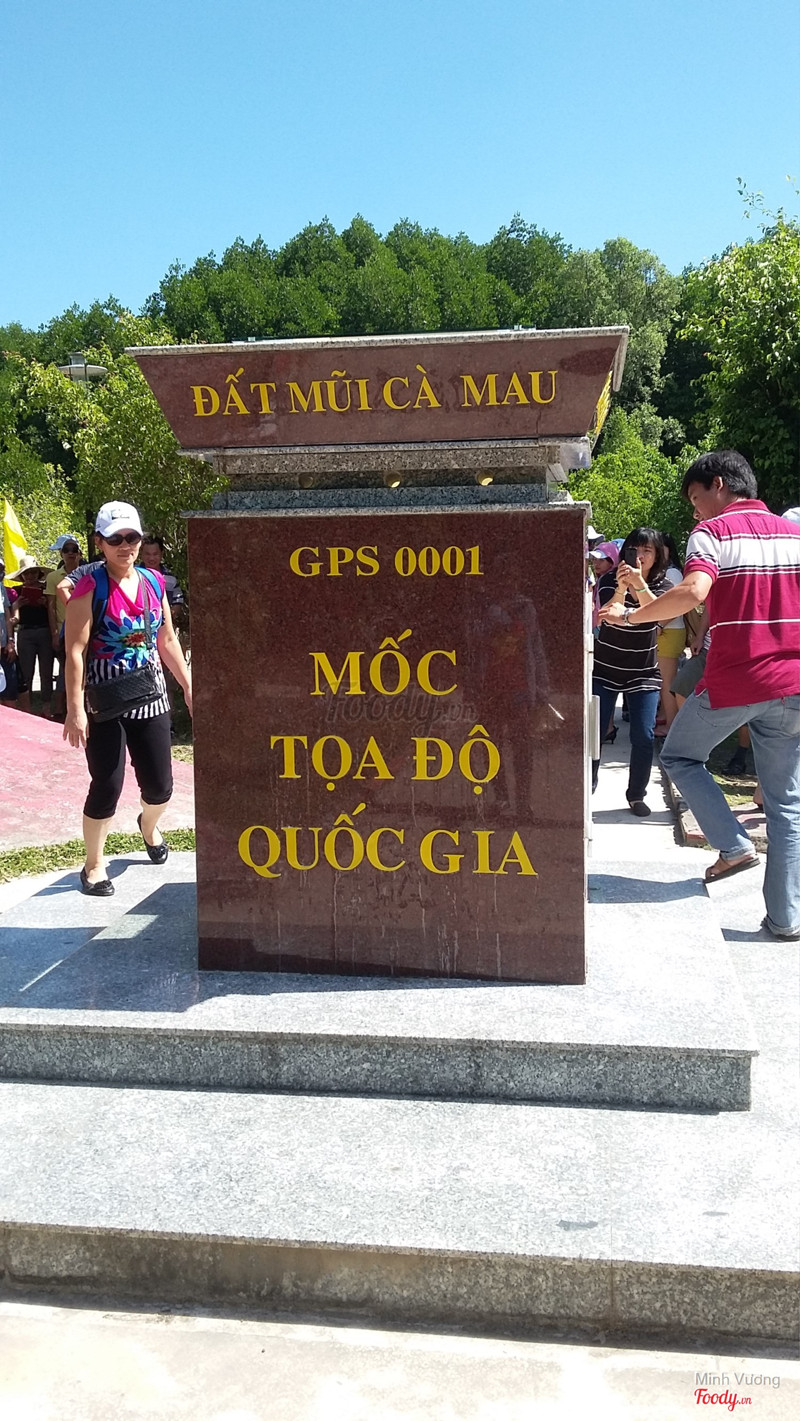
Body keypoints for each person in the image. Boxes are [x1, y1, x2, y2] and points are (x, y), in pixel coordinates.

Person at [598, 450, 800, 941]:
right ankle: (786, 919)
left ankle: (733, 845)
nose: (694, 510)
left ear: (718, 484)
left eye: (695, 497)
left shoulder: (714, 532)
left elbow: (692, 591)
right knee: (786, 806)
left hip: (738, 677)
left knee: (680, 756)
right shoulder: (793, 533)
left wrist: (628, 616)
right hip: (793, 682)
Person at [63, 500, 193, 896]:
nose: (125, 546)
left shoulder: (154, 582)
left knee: (160, 787)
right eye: (115, 538)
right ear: (99, 542)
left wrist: (189, 686)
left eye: (132, 537)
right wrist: (74, 709)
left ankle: (148, 827)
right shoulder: (90, 587)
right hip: (106, 703)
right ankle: (93, 864)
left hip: (150, 697)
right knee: (107, 784)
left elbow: (166, 639)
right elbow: (75, 651)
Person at [592, 527, 670, 816]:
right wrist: (622, 587)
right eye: (635, 549)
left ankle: (636, 795)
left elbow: (657, 614)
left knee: (643, 736)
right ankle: (587, 787)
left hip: (644, 672)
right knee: (594, 734)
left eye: (648, 551)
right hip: (605, 670)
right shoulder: (607, 579)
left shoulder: (663, 585)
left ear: (657, 556)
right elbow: (607, 616)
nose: (640, 556)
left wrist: (638, 584)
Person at [9, 554, 54, 717]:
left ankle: (47, 704)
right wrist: (18, 605)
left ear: (38, 573)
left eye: (33, 572)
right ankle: (27, 707)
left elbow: (54, 610)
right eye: (27, 573)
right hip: (25, 631)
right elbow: (11, 618)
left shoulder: (46, 588)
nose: (30, 576)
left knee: (46, 670)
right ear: (22, 575)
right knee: (26, 671)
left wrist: (45, 604)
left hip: (45, 631)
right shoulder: (16, 592)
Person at [45, 536, 84, 720]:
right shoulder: (53, 577)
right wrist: (54, 633)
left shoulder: (88, 574)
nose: (70, 553)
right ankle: (61, 710)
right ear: (61, 554)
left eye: (74, 549)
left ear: (79, 553)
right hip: (63, 630)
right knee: (66, 668)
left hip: (86, 628)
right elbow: (51, 607)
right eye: (66, 550)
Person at [656, 532, 687, 735]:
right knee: (663, 680)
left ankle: (671, 725)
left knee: (667, 681)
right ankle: (665, 716)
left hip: (670, 630)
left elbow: (677, 605)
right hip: (667, 630)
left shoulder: (672, 573)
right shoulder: (665, 571)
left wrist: (659, 625)